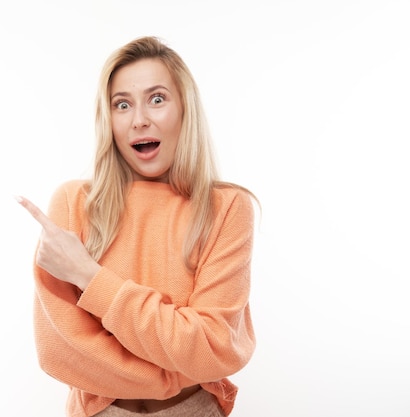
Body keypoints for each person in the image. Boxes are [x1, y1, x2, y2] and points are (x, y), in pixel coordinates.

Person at [16, 36, 257, 417]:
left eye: (157, 99)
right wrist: (175, 368)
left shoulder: (226, 207)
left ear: (184, 109)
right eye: (122, 104)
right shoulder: (73, 203)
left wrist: (88, 277)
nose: (139, 119)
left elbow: (213, 346)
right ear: (108, 119)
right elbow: (59, 351)